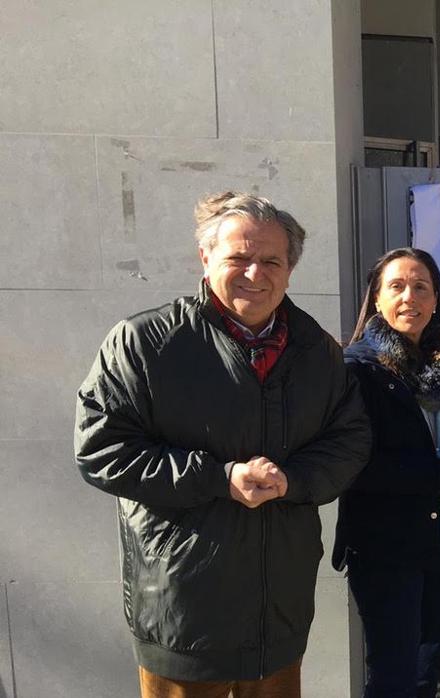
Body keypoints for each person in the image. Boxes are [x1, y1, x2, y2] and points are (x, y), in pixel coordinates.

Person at [74, 191, 372, 696]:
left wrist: (293, 479)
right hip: (181, 609)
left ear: (290, 269)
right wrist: (219, 478)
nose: (255, 274)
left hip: (278, 608)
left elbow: (350, 440)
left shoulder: (317, 350)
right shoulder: (145, 342)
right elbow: (101, 448)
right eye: (239, 257)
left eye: (271, 260)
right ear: (206, 257)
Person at [332, 248, 440, 697]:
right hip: (386, 550)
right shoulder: (357, 371)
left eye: (421, 286)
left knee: (424, 678)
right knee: (394, 681)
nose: (410, 297)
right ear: (377, 300)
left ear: (436, 299)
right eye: (397, 286)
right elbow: (356, 466)